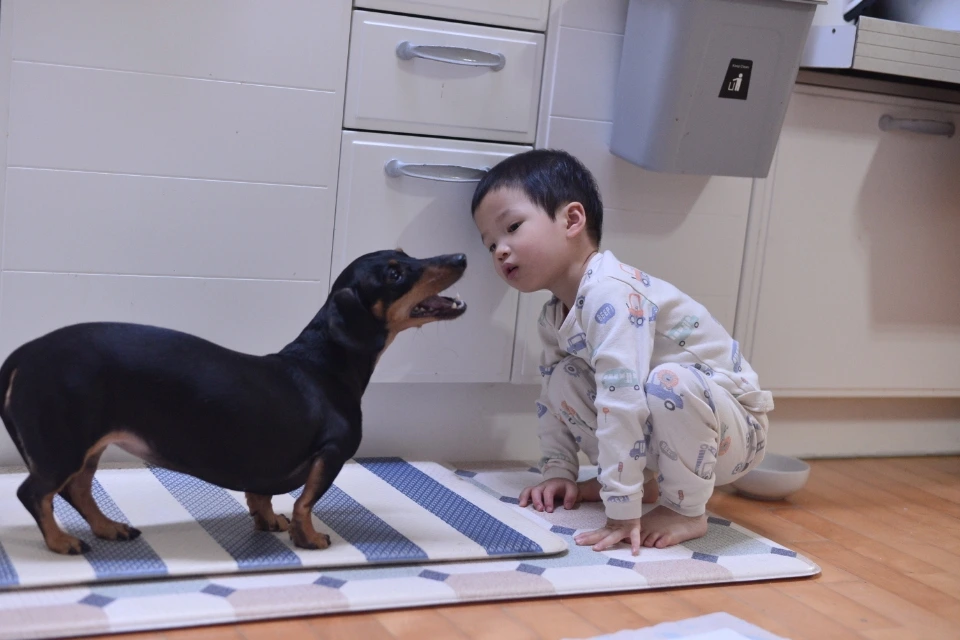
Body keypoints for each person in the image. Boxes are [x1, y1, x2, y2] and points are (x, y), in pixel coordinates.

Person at [470, 149, 773, 554]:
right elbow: (552, 402)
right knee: (562, 378)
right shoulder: (553, 316)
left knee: (668, 382)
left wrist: (621, 511)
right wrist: (559, 470)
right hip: (675, 423)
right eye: (490, 244)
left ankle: (685, 509)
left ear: (572, 220)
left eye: (512, 228)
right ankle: (648, 482)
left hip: (735, 431)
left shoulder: (612, 294)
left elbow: (623, 400)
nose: (500, 250)